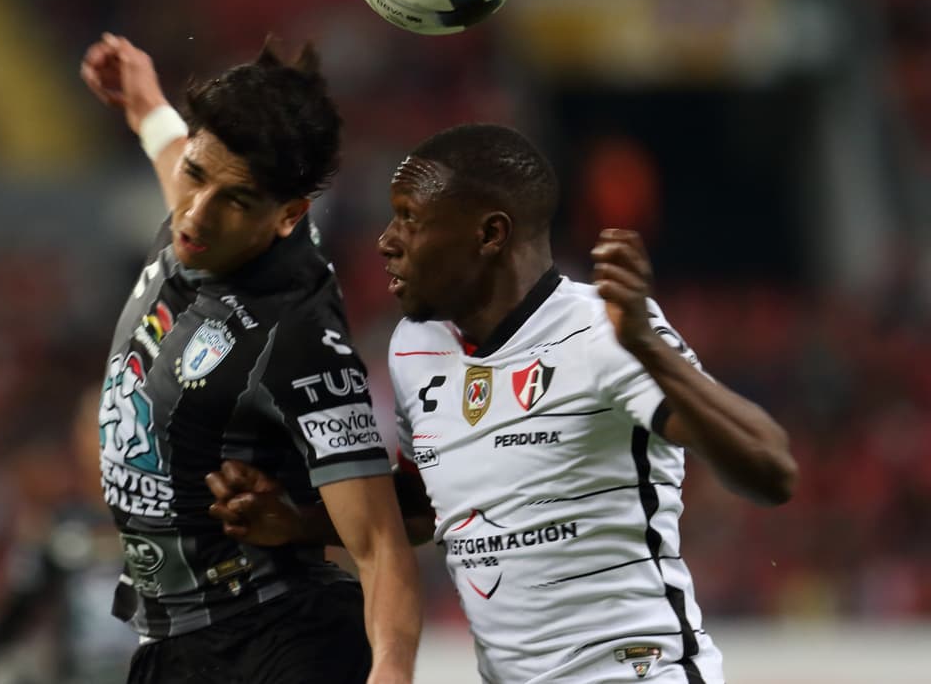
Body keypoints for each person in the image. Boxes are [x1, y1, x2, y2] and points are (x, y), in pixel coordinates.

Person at [206, 124, 798, 683]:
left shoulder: (602, 332)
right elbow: (430, 504)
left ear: (490, 235)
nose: (386, 242)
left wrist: (647, 348)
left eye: (410, 220)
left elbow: (771, 470)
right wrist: (299, 520)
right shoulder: (416, 346)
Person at [79, 33, 422, 684]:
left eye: (234, 200)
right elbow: (177, 152)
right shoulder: (201, 211)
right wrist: (142, 95)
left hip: (277, 642)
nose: (196, 215)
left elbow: (380, 546)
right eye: (197, 177)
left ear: (288, 215)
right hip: (173, 647)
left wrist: (393, 670)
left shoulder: (294, 334)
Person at [0, 389, 137, 684]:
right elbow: (22, 603)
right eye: (96, 430)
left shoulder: (161, 520)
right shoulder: (58, 525)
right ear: (77, 440)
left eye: (118, 426)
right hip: (78, 674)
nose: (105, 442)